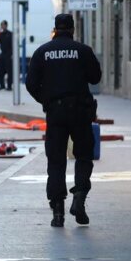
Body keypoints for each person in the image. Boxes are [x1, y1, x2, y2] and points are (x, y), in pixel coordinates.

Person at [25, 13, 102, 227]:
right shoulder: (82, 50)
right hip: (80, 111)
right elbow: (96, 77)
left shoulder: (43, 52)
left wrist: (46, 100)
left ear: (55, 29)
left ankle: (57, 211)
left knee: (56, 160)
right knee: (84, 156)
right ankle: (79, 198)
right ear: (73, 29)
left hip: (56, 112)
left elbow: (30, 83)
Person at [0, 21, 14, 90]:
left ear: (6, 25)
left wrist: (12, 54)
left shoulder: (10, 34)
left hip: (9, 54)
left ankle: (9, 86)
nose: (2, 26)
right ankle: (2, 85)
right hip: (2, 54)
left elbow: (13, 45)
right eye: (1, 25)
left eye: (3, 25)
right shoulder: (1, 34)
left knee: (9, 71)